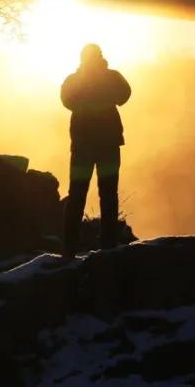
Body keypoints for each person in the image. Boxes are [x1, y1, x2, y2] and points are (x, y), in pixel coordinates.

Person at [60, 43, 131, 257]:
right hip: (108, 145)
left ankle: (70, 247)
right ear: (100, 56)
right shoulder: (112, 77)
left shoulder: (73, 80)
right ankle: (108, 245)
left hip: (83, 146)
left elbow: (66, 100)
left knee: (77, 194)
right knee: (108, 194)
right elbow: (124, 95)